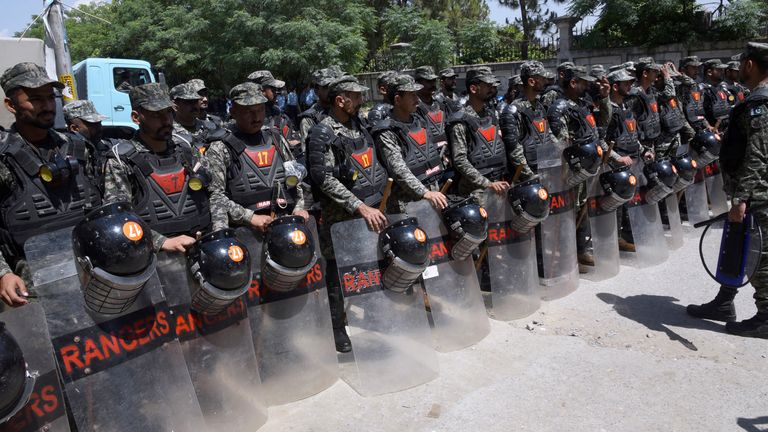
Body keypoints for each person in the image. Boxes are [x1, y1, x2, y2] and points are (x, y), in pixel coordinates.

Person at [0, 63, 102, 306]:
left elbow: (104, 204)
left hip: (95, 273)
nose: (47, 106)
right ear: (11, 105)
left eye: (50, 97)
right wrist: (3, 273)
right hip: (34, 286)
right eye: (35, 99)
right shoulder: (3, 157)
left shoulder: (78, 147)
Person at [688, 42, 768, 339]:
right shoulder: (755, 98)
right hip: (749, 189)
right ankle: (725, 301)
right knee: (736, 245)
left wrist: (742, 198)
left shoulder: (761, 102)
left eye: (742, 63)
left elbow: (758, 154)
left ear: (750, 64)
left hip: (757, 192)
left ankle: (766, 316)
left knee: (760, 254)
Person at [307, 75, 389, 352]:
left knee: (367, 266)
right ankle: (337, 327)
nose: (361, 100)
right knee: (335, 275)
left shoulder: (359, 125)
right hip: (339, 217)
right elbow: (323, 179)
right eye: (355, 96)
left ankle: (374, 314)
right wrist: (359, 206)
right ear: (340, 100)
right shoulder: (322, 133)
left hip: (370, 209)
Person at [102, 83, 210, 254]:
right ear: (136, 117)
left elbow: (213, 193)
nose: (166, 120)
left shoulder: (186, 147)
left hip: (202, 243)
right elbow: (119, 218)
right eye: (156, 115)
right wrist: (162, 242)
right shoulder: (120, 160)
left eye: (168, 112)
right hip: (156, 254)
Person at [204, 82, 308, 234]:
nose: (256, 116)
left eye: (260, 110)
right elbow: (215, 197)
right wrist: (249, 217)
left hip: (286, 226)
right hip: (247, 231)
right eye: (248, 111)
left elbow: (294, 180)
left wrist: (299, 208)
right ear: (233, 111)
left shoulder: (276, 138)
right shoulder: (221, 147)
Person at [370, 74, 447, 213]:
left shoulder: (419, 121)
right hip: (407, 205)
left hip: (432, 195)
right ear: (398, 100)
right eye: (411, 95)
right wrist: (425, 193)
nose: (417, 99)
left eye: (416, 94)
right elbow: (399, 170)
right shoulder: (387, 131)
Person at [446, 66, 510, 204]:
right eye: (487, 86)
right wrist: (487, 183)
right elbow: (460, 161)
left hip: (498, 185)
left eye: (493, 86)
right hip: (476, 193)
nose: (492, 89)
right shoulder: (460, 121)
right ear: (474, 89)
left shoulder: (491, 114)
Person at [604, 68, 643, 252]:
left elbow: (631, 133)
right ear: (614, 86)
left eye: (630, 83)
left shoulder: (627, 106)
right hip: (616, 163)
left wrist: (644, 150)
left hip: (631, 160)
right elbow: (601, 140)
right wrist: (617, 157)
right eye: (626, 83)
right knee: (617, 202)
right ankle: (615, 239)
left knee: (630, 199)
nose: (630, 86)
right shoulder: (608, 109)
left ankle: (627, 235)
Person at [248, 70, 302, 158]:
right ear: (261, 91)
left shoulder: (278, 114)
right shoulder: (245, 119)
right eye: (273, 89)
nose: (276, 93)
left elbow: (293, 138)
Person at [62, 99, 111, 172]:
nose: (100, 128)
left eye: (99, 123)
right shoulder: (71, 150)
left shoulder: (103, 144)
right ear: (74, 128)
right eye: (93, 125)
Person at [169, 82, 207, 154]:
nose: (194, 106)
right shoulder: (169, 134)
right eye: (189, 102)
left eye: (196, 101)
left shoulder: (207, 127)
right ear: (174, 106)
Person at [700, 59, 732, 133]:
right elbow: (697, 113)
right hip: (713, 132)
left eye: (722, 70)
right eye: (719, 70)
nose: (722, 72)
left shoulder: (723, 87)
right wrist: (707, 126)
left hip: (727, 130)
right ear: (709, 72)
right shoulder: (702, 89)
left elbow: (730, 103)